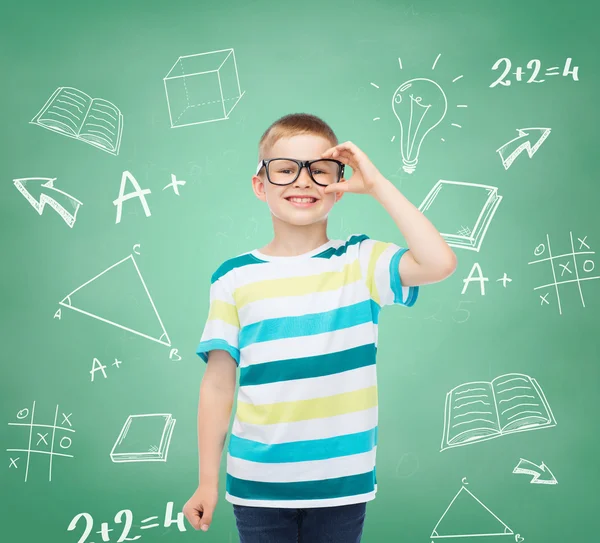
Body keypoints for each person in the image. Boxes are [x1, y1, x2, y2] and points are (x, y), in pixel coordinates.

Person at [183, 113, 457, 542]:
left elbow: (439, 263)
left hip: (341, 482)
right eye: (286, 169)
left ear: (340, 187)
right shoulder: (232, 277)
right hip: (258, 483)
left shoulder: (362, 261)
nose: (303, 181)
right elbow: (218, 385)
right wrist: (206, 480)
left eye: (320, 171)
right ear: (261, 184)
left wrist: (378, 184)